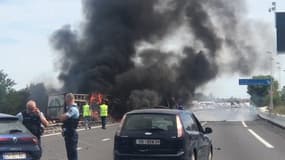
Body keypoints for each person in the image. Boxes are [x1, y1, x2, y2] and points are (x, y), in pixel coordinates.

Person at [59, 93, 79, 160]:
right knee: (70, 155)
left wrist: (62, 116)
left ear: (69, 100)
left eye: (66, 101)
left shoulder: (73, 109)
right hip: (69, 133)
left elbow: (63, 118)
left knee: (72, 155)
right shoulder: (69, 108)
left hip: (71, 134)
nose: (65, 102)